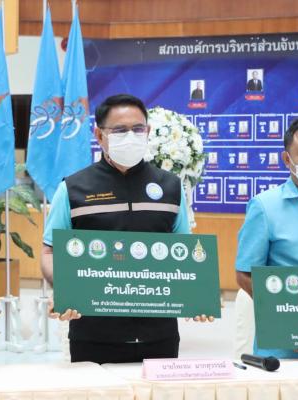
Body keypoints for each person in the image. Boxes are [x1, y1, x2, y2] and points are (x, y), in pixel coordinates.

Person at [41, 94, 212, 364]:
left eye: (138, 129)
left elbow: (186, 253)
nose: (130, 136)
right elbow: (50, 253)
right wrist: (65, 288)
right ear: (99, 135)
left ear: (148, 132)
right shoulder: (73, 188)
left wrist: (197, 297)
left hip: (160, 335)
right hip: (94, 335)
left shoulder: (170, 187)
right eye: (120, 130)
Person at [236, 116, 298, 359]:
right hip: (284, 352)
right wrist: (292, 322)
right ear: (287, 159)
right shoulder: (265, 207)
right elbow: (245, 274)